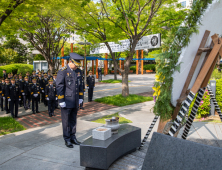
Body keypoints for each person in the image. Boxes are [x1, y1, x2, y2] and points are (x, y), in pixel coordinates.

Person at [56, 53, 84, 148]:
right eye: (75, 65)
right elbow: (59, 86)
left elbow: (80, 86)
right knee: (66, 121)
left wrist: (80, 98)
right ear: (70, 62)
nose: (76, 67)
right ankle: (67, 139)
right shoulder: (62, 71)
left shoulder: (78, 71)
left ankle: (73, 137)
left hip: (75, 100)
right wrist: (61, 100)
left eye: (78, 65)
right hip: (66, 101)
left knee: (73, 120)